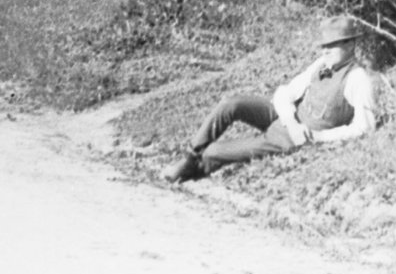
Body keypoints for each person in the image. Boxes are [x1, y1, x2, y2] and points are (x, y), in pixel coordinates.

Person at [161, 15, 383, 183]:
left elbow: (365, 127)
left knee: (214, 151)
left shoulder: (358, 78)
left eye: (332, 45)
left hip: (291, 140)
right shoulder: (321, 65)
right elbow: (284, 93)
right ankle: (189, 158)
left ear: (351, 45)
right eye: (324, 45)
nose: (325, 51)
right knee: (231, 104)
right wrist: (291, 121)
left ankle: (190, 173)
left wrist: (318, 136)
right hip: (287, 121)